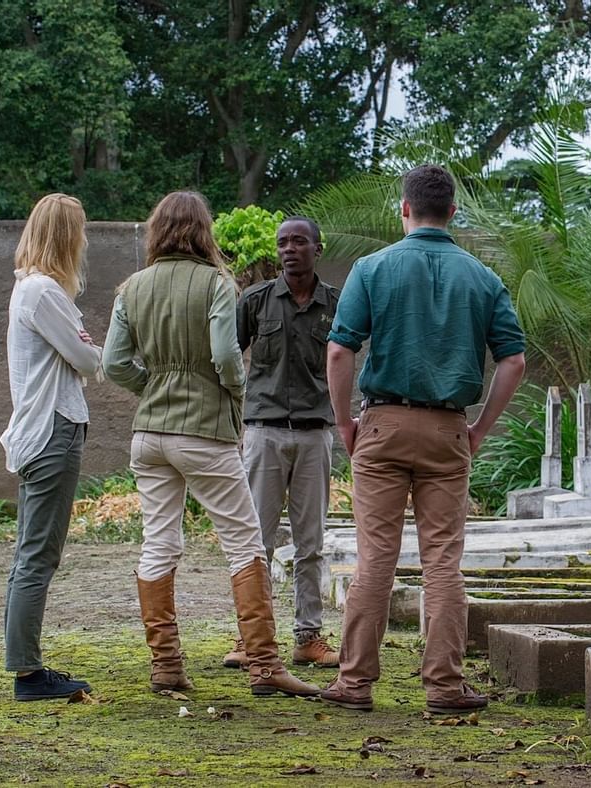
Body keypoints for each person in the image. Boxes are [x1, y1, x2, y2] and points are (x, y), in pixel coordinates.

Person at [323, 164, 526, 713]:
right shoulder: (483, 277)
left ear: (404, 209)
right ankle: (444, 686)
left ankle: (355, 683)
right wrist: (480, 427)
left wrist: (345, 422)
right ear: (453, 213)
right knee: (442, 563)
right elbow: (513, 359)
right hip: (447, 429)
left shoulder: (372, 268)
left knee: (375, 561)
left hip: (383, 423)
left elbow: (341, 350)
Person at [102, 191, 318, 698]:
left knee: (159, 542)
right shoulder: (217, 283)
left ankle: (167, 666)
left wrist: (151, 387)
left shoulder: (132, 287)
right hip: (204, 432)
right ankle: (265, 666)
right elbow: (226, 354)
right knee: (244, 542)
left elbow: (113, 363)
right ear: (204, 231)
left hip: (149, 434)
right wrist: (234, 392)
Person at [221, 216, 340, 671]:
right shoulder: (256, 301)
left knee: (311, 542)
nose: (290, 249)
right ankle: (249, 636)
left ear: (317, 248)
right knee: (256, 541)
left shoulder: (336, 305)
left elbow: (347, 360)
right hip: (264, 433)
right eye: (283, 243)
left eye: (299, 241)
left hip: (314, 434)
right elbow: (227, 356)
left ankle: (308, 636)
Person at [0, 193, 102, 701]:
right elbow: (84, 358)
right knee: (38, 556)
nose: (83, 241)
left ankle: (25, 664)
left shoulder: (30, 289)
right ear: (65, 235)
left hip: (43, 431)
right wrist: (116, 354)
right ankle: (27, 672)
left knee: (31, 553)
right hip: (52, 432)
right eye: (79, 230)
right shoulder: (43, 292)